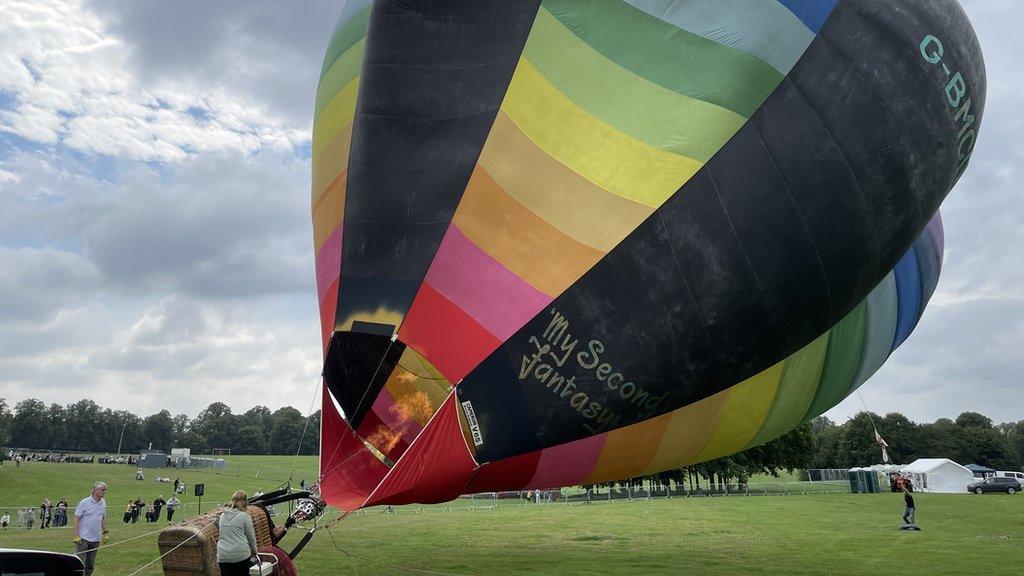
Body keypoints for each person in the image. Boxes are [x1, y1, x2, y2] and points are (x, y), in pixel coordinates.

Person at [216, 490, 258, 576]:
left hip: (223, 555)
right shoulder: (245, 516)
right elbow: (251, 537)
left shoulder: (222, 516)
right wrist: (254, 551)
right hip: (240, 555)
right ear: (244, 502)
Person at [73, 482, 109, 576]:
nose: (105, 492)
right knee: (80, 563)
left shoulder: (103, 502)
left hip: (96, 539)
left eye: (105, 490)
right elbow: (76, 518)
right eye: (103, 490)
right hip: (83, 538)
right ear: (95, 491)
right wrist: (76, 535)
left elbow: (103, 518)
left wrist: (105, 532)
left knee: (90, 565)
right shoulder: (84, 502)